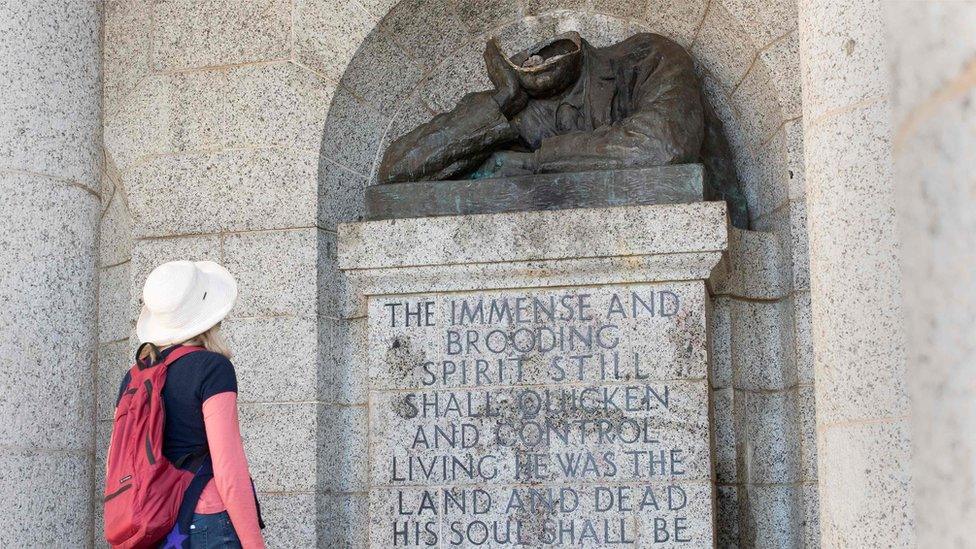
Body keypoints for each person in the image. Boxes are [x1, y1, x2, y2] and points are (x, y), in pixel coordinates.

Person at [378, 31, 749, 228]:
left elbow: (663, 147)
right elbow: (396, 171)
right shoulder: (515, 108)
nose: (536, 64)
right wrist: (501, 103)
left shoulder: (645, 58)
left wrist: (534, 162)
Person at [118, 261, 265, 548]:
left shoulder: (135, 377)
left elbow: (121, 459)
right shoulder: (212, 368)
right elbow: (228, 466)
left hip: (154, 519)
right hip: (206, 518)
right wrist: (254, 543)